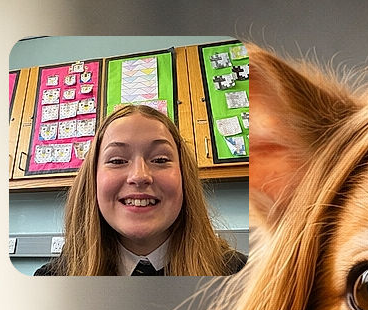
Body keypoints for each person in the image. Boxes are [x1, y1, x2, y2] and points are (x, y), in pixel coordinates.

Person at [34, 103, 246, 276]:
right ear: (93, 179)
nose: (139, 176)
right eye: (117, 161)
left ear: (184, 176)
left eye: (160, 159)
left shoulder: (241, 275)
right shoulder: (51, 282)